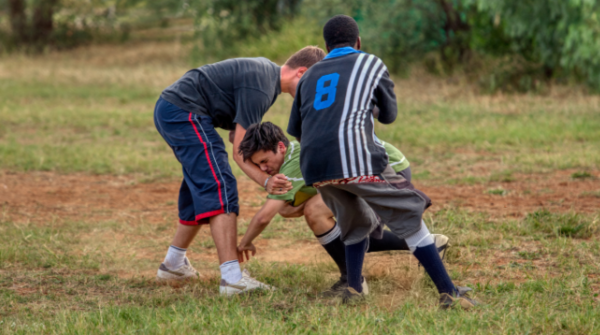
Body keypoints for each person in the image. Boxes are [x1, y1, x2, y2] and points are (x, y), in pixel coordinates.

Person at [287, 15, 477, 308]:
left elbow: (297, 129)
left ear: (326, 45)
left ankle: (353, 288)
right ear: (358, 41)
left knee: (355, 221)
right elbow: (388, 116)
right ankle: (448, 292)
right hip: (355, 158)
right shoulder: (370, 63)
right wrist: (368, 108)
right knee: (409, 213)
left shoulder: (309, 76)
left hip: (315, 166)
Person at [153, 46, 326, 296]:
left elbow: (240, 136)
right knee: (220, 184)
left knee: (201, 183)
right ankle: (232, 278)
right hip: (183, 111)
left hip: (175, 109)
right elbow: (240, 152)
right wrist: (267, 182)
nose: (312, 91)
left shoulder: (265, 78)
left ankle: (173, 264)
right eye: (313, 83)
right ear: (302, 72)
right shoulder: (262, 86)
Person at [235, 122, 450, 297]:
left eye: (264, 161)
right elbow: (287, 209)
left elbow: (264, 217)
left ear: (281, 147)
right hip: (365, 170)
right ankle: (431, 244)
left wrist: (244, 243)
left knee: (321, 215)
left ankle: (353, 281)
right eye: (257, 165)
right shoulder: (291, 156)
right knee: (351, 230)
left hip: (386, 170)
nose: (263, 170)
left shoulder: (294, 161)